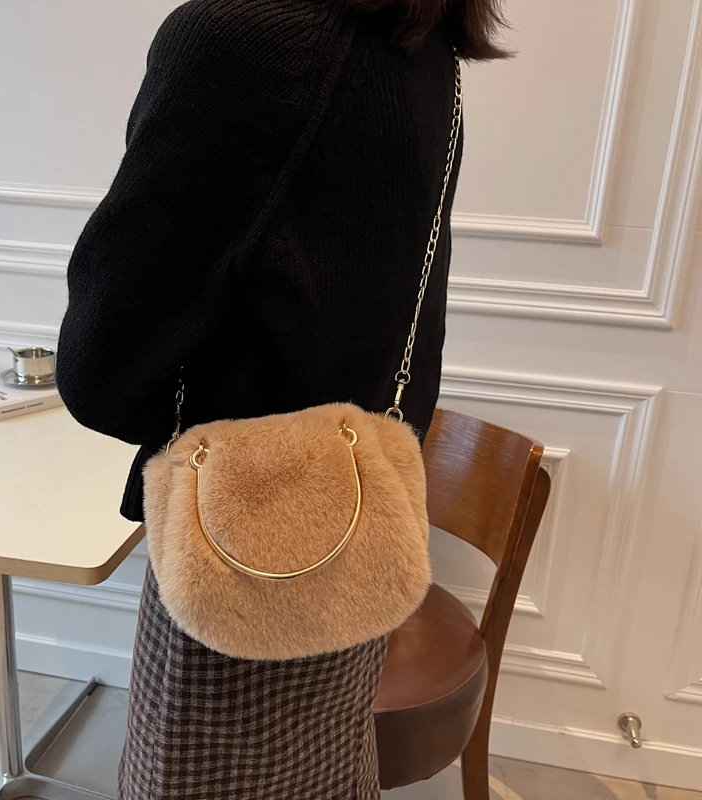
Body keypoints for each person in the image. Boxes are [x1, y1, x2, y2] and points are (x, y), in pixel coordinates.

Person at [57, 0, 507, 796]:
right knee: (323, 773)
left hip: (240, 534)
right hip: (359, 508)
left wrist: (180, 435)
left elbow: (104, 361)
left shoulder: (246, 42)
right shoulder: (424, 43)